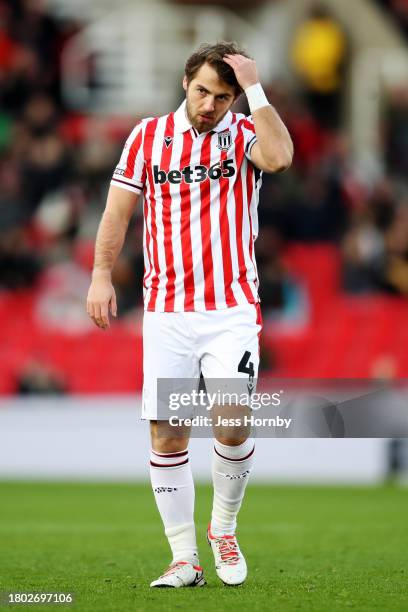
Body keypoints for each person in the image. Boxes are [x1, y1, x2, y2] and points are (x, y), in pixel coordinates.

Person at [86, 41, 293, 588]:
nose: (210, 105)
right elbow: (117, 212)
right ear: (185, 82)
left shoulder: (246, 133)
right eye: (203, 91)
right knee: (169, 434)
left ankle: (223, 529)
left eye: (223, 97)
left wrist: (255, 91)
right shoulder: (148, 138)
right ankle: (184, 559)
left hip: (230, 308)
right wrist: (101, 274)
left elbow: (280, 158)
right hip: (169, 312)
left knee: (232, 422)